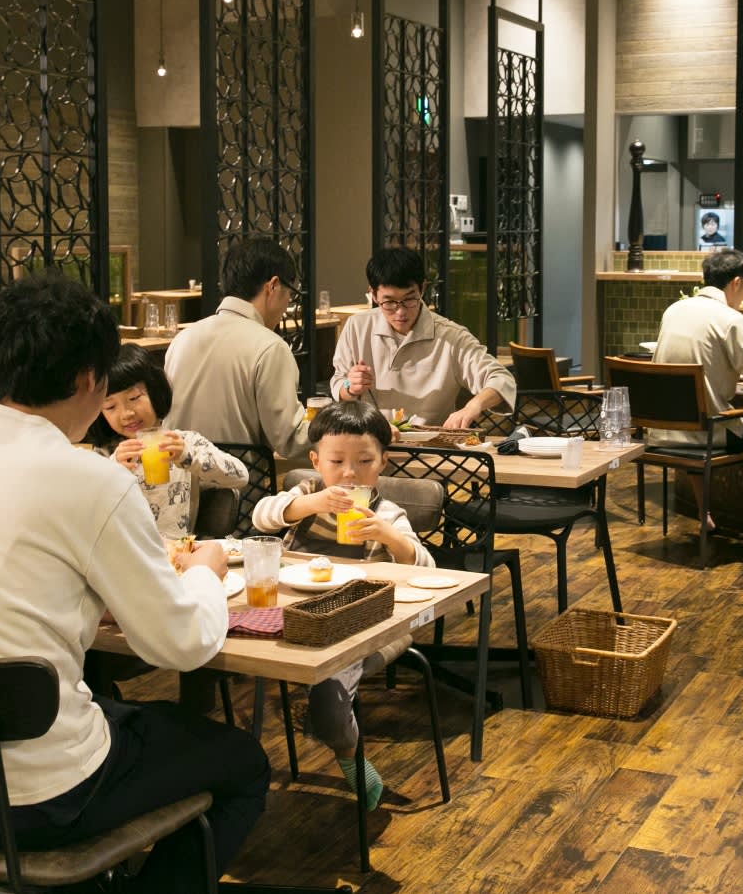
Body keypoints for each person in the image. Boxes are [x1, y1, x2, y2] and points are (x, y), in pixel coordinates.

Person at [0, 273, 268, 891]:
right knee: (241, 763)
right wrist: (207, 574)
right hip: (33, 795)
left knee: (107, 710)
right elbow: (181, 644)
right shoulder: (91, 480)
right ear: (86, 379)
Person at [249, 401, 434, 811]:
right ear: (316, 462)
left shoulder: (387, 513)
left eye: (364, 461)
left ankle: (350, 756)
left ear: (383, 462)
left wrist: (389, 537)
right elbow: (262, 516)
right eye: (336, 462)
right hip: (295, 614)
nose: (350, 473)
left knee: (329, 693)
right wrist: (309, 504)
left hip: (362, 624)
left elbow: (426, 568)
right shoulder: (306, 496)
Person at [652, 247, 743, 549]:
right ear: (736, 282)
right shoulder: (730, 319)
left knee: (699, 415)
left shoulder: (674, 310)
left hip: (665, 430)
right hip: (709, 433)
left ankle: (704, 513)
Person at [331, 247, 516, 429]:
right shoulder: (358, 326)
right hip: (367, 440)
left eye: (409, 299)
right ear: (373, 294)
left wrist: (473, 406)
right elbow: (339, 381)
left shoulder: (451, 337)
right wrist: (350, 386)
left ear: (422, 288)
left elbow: (501, 379)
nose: (400, 312)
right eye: (389, 302)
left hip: (430, 442)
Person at [165, 238, 310, 458]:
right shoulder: (270, 347)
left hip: (178, 476)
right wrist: (335, 425)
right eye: (289, 293)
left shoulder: (182, 339)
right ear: (273, 286)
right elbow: (289, 440)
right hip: (241, 478)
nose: (286, 305)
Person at [86, 343, 249, 539]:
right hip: (123, 551)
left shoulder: (184, 443)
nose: (126, 414)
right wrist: (113, 470)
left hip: (177, 551)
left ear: (155, 391)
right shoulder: (104, 455)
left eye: (134, 398)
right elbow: (86, 511)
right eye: (111, 407)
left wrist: (188, 456)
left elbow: (240, 477)